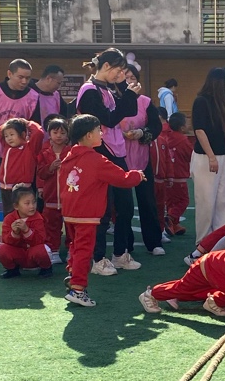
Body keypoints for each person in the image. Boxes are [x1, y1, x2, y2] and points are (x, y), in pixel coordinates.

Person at [59, 113, 145, 309]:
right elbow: (122, 179)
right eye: (99, 130)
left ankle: (73, 276)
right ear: (89, 135)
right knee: (84, 250)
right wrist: (137, 176)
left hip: (70, 211)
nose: (102, 133)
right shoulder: (96, 159)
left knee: (75, 247)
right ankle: (78, 289)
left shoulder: (68, 156)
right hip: (87, 214)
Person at [74, 49, 142, 276]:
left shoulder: (108, 88)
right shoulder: (89, 91)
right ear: (106, 67)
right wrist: (127, 94)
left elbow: (130, 110)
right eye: (118, 71)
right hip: (100, 153)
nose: (120, 75)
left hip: (116, 152)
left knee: (125, 206)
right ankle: (98, 259)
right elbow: (109, 119)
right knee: (102, 209)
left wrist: (124, 87)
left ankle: (120, 254)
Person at [121, 63, 165, 255]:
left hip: (141, 157)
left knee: (147, 200)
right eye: (126, 78)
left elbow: (156, 126)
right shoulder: (113, 101)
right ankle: (125, 244)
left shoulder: (145, 102)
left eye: (133, 78)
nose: (129, 81)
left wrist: (141, 133)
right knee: (123, 204)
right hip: (118, 157)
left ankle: (154, 242)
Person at [0, 60, 38, 190]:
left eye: (28, 78)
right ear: (9, 74)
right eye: (20, 77)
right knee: (6, 191)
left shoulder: (33, 96)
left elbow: (36, 128)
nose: (24, 81)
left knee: (24, 192)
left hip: (23, 155)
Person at [190, 67, 225, 243]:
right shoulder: (201, 101)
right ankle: (203, 242)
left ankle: (219, 239)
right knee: (206, 202)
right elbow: (199, 130)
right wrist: (211, 156)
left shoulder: (220, 102)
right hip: (205, 157)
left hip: (221, 155)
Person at [151, 111, 192, 238]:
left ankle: (174, 224)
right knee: (183, 201)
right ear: (182, 127)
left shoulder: (165, 138)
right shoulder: (184, 140)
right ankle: (170, 218)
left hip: (167, 176)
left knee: (170, 202)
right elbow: (190, 155)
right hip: (179, 176)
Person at [0, 186, 53, 279]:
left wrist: (27, 231)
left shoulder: (39, 218)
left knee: (42, 250)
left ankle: (46, 268)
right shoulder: (9, 219)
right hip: (19, 254)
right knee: (1, 249)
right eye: (27, 203)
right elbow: (5, 240)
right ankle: (12, 269)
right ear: (16, 206)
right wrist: (15, 233)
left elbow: (40, 240)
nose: (32, 206)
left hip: (33, 254)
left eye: (34, 202)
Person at [36, 117, 70, 263]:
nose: (59, 136)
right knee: (51, 224)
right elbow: (40, 173)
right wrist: (50, 168)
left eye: (62, 133)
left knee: (71, 226)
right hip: (51, 196)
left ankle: (71, 250)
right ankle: (53, 250)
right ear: (49, 134)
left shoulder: (72, 152)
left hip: (69, 197)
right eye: (55, 132)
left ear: (68, 135)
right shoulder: (44, 153)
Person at [0, 117, 44, 216]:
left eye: (12, 134)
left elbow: (39, 133)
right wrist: (12, 121)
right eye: (6, 136)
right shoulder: (7, 147)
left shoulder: (29, 148)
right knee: (8, 216)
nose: (9, 138)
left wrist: (26, 123)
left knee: (23, 216)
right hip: (5, 189)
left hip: (22, 189)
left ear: (22, 134)